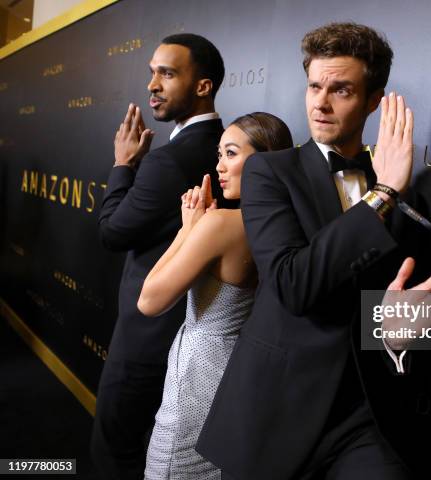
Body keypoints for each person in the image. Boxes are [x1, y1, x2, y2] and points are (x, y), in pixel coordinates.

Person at [196, 22, 431, 479]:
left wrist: (395, 335)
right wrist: (382, 194)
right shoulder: (270, 172)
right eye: (313, 86)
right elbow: (293, 285)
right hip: (276, 410)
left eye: (341, 90)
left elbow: (392, 305)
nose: (320, 103)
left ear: (373, 100)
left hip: (365, 415)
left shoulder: (406, 193)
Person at [92, 33, 227, 479]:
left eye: (167, 73)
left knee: (118, 455)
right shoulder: (227, 146)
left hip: (148, 339)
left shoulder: (170, 159)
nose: (152, 83)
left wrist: (123, 165)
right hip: (193, 340)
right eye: (152, 71)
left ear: (203, 86)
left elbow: (113, 232)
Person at [136, 112, 293, 480]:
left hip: (197, 378)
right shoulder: (283, 223)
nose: (220, 166)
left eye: (232, 154)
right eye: (220, 154)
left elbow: (150, 300)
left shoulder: (221, 224)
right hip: (241, 380)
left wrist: (188, 229)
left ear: (265, 160)